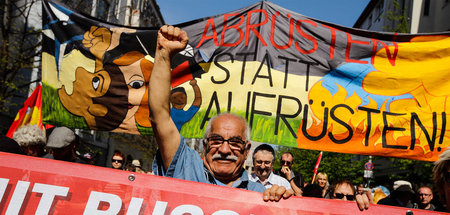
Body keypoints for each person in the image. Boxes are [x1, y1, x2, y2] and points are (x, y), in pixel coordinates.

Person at [149, 24, 371, 209]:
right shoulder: (185, 167)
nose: (225, 150)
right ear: (205, 145)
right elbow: (159, 115)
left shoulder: (263, 195)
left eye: (235, 143)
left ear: (247, 151)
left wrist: (354, 209)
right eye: (216, 141)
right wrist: (163, 53)